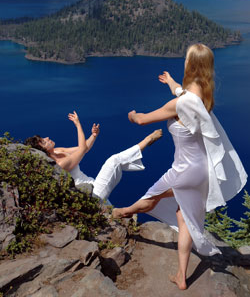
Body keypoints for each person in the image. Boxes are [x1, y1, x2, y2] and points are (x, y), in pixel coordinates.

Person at [112, 43, 247, 290]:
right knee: (183, 217)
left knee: (152, 196)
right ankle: (181, 276)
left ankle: (121, 212)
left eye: (186, 59)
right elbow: (183, 94)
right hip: (201, 172)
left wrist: (132, 115)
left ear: (191, 65)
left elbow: (143, 120)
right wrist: (171, 82)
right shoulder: (204, 95)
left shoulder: (179, 104)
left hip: (183, 170)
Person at [24, 111, 163, 203]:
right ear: (42, 150)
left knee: (111, 215)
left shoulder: (59, 150)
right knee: (114, 161)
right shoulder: (60, 165)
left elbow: (83, 149)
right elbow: (82, 149)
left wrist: (93, 136)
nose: (47, 138)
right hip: (91, 195)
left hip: (94, 186)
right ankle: (147, 140)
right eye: (43, 141)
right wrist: (78, 124)